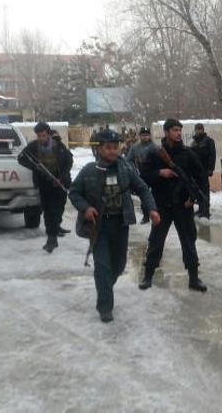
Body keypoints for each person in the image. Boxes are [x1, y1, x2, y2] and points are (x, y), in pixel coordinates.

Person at [69, 129, 160, 323]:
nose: (112, 151)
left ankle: (104, 287)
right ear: (100, 149)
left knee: (118, 266)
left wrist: (151, 209)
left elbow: (143, 189)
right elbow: (74, 193)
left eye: (115, 147)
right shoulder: (89, 170)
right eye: (108, 148)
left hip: (120, 224)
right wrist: (85, 208)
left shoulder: (125, 168)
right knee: (102, 266)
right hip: (99, 226)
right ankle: (105, 307)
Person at [139, 118, 208, 292]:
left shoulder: (188, 153)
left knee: (188, 242)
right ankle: (148, 275)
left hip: (183, 206)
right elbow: (143, 176)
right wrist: (160, 173)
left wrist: (194, 198)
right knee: (156, 241)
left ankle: (193, 278)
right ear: (166, 132)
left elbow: (201, 176)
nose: (178, 133)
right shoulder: (156, 154)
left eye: (179, 130)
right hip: (162, 204)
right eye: (174, 130)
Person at [18, 122, 74, 253]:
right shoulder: (33, 146)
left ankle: (52, 236)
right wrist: (35, 167)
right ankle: (51, 237)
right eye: (39, 136)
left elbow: (69, 161)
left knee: (56, 210)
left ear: (48, 134)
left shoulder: (58, 145)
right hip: (44, 184)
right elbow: (21, 158)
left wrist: (62, 177)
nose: (41, 138)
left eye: (43, 135)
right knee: (48, 212)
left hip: (59, 183)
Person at [126, 127, 159, 224]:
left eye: (147, 135)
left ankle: (155, 213)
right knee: (143, 196)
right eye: (143, 135)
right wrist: (133, 171)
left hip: (153, 174)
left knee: (154, 196)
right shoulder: (135, 147)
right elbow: (128, 161)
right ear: (140, 136)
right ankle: (146, 216)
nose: (145, 137)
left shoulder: (154, 147)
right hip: (141, 175)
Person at [190, 123, 216, 219]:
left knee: (205, 191)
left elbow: (212, 155)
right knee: (198, 191)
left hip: (204, 170)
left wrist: (210, 168)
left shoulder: (209, 141)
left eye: (200, 129)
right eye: (197, 129)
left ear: (203, 130)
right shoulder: (193, 143)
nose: (198, 131)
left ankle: (206, 211)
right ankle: (201, 208)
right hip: (195, 171)